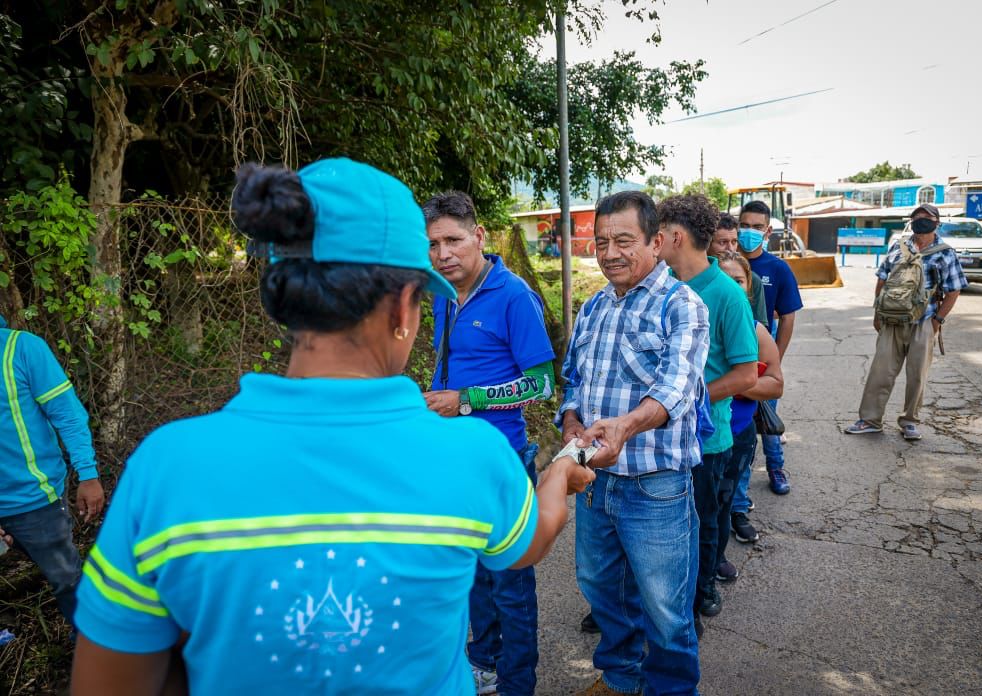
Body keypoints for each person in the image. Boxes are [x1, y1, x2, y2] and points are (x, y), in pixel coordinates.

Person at [71, 158, 597, 696]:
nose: (445, 255)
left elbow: (109, 679)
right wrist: (559, 474)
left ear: (283, 300)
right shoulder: (471, 457)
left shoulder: (165, 466)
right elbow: (533, 540)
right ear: (403, 308)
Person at [560, 190, 709, 696]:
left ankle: (670, 688)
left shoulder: (682, 305)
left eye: (624, 240)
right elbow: (573, 379)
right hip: (595, 481)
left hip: (656, 486)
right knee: (601, 589)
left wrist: (624, 426)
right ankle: (622, 678)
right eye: (601, 242)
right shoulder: (594, 305)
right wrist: (571, 421)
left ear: (657, 241)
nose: (609, 252)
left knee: (666, 610)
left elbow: (677, 389)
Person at [422, 191, 556, 696]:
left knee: (511, 582)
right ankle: (484, 662)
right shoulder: (442, 292)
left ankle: (519, 682)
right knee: (472, 574)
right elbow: (448, 363)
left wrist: (467, 400)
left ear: (478, 236)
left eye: (453, 240)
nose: (443, 254)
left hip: (502, 462)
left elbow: (541, 384)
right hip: (453, 461)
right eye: (433, 244)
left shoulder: (514, 295)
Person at [657, 196, 758, 626]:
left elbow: (747, 374)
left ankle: (697, 600)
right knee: (659, 529)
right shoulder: (659, 287)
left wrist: (685, 400)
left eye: (656, 232)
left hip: (705, 439)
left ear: (675, 237)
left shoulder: (727, 295)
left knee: (699, 524)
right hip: (658, 436)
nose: (652, 240)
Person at [0, 315, 103, 628]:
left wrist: (87, 473)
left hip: (33, 502)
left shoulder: (21, 348)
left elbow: (68, 415)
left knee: (67, 580)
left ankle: (92, 647)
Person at [845, 203, 967, 440]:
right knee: (880, 372)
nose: (921, 220)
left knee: (917, 375)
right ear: (911, 221)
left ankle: (910, 421)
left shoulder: (945, 252)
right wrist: (877, 313)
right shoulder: (898, 247)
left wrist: (937, 321)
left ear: (937, 222)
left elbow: (953, 291)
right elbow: (882, 279)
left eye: (927, 217)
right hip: (891, 320)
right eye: (917, 217)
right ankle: (870, 419)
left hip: (924, 321)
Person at [714, 252, 784, 575]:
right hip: (700, 435)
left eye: (738, 281)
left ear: (749, 289)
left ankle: (716, 558)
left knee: (724, 500)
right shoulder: (692, 324)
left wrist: (739, 386)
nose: (731, 286)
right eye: (724, 279)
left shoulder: (756, 330)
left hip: (738, 433)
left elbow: (775, 384)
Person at [737, 200, 802, 497]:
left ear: (768, 231)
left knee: (767, 417)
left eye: (756, 227)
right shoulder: (727, 264)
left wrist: (776, 358)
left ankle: (775, 466)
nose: (749, 232)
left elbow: (787, 317)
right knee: (738, 422)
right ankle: (739, 484)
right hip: (730, 359)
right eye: (744, 225)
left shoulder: (777, 269)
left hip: (762, 357)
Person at [710, 213, 768, 328]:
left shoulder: (751, 279)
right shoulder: (697, 277)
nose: (730, 249)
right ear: (707, 243)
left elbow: (760, 330)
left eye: (734, 242)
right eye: (722, 242)